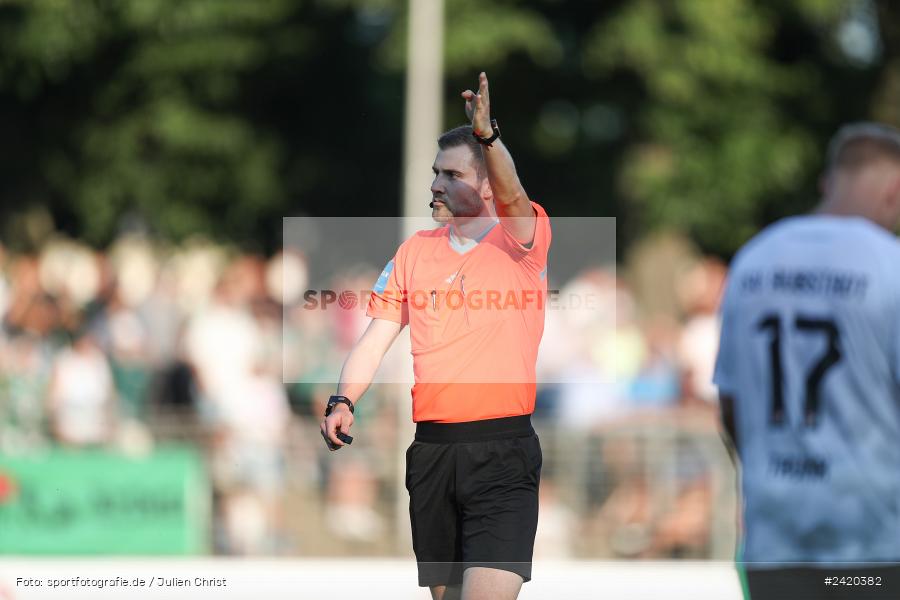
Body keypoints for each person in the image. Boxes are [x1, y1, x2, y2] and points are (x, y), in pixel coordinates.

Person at [320, 72, 551, 600]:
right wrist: (343, 399)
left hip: (503, 453)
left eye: (451, 175)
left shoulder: (521, 239)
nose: (436, 185)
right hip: (432, 454)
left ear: (486, 183)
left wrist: (489, 138)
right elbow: (376, 337)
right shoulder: (413, 252)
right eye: (435, 173)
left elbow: (514, 193)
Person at [714, 122, 900, 600]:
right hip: (869, 549)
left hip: (775, 544)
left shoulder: (754, 259)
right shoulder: (889, 265)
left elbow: (732, 406)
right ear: (894, 189)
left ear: (829, 182)